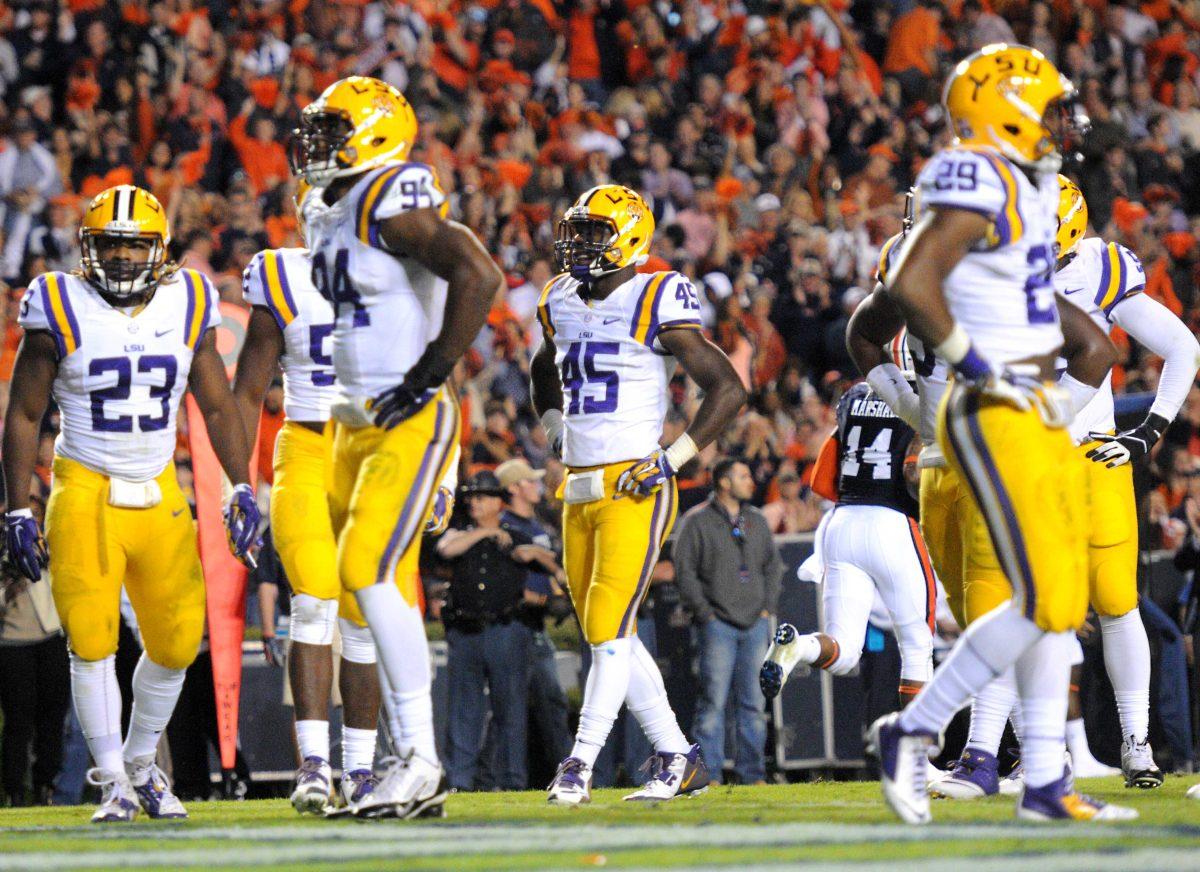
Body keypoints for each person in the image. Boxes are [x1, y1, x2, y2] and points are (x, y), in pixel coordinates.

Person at [863, 45, 1136, 823]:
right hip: (992, 405)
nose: (1062, 121)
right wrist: (981, 364)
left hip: (1029, 403)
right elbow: (913, 280)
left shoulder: (1024, 183)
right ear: (1008, 110)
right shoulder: (975, 170)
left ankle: (1045, 782)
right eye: (1048, 107)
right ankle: (915, 729)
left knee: (1058, 601)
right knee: (1045, 596)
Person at [1, 184, 260, 823]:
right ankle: (112, 778)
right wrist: (15, 507)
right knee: (90, 641)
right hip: (85, 487)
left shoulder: (192, 298)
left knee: (175, 642)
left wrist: (239, 483)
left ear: (159, 250)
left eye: (133, 245)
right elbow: (26, 411)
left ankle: (142, 762)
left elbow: (218, 402)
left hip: (158, 489)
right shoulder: (57, 301)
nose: (120, 258)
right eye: (110, 245)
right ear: (89, 249)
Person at [292, 76, 503, 819]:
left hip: (405, 416)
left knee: (367, 569)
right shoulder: (326, 206)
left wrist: (431, 372)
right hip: (350, 420)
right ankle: (411, 763)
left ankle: (420, 759)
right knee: (359, 586)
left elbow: (479, 272)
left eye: (333, 129)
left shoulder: (391, 194)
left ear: (377, 133)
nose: (316, 144)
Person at [531, 184, 747, 805]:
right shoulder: (559, 299)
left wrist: (671, 459)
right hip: (578, 486)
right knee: (611, 635)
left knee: (607, 628)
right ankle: (678, 756)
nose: (579, 243)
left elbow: (727, 388)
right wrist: (553, 429)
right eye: (578, 230)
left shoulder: (656, 294)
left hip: (634, 481)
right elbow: (545, 366)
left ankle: (578, 763)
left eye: (594, 232)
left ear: (628, 237)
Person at [234, 182, 385, 815]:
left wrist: (444, 474)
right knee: (315, 605)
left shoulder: (395, 274)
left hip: (373, 457)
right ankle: (316, 765)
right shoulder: (281, 273)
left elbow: (435, 382)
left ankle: (361, 770)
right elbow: (246, 389)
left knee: (363, 622)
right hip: (305, 447)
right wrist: (236, 481)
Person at [1053, 176, 1199, 787]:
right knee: (1023, 609)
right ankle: (1018, 750)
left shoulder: (1098, 266)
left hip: (1087, 457)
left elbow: (1181, 346)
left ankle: (1135, 745)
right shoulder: (987, 264)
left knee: (1117, 607)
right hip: (1023, 460)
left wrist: (1148, 431)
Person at [761, 370, 934, 710]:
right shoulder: (924, 391)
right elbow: (912, 473)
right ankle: (917, 755)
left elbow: (828, 466)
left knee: (843, 651)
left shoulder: (855, 394)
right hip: (890, 522)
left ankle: (801, 646)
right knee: (917, 646)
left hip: (841, 522)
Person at [436, 470, 563, 791]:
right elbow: (446, 550)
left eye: (481, 497)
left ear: (497, 503)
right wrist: (486, 535)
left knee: (511, 713)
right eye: (472, 498)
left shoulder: (517, 536)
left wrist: (538, 555)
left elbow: (561, 575)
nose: (474, 503)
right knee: (464, 711)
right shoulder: (461, 533)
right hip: (465, 632)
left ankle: (512, 782)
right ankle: (459, 782)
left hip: (506, 631)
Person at [675, 458, 782, 785]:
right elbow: (685, 570)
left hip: (754, 624)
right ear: (724, 483)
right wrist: (704, 612)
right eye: (744, 476)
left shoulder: (757, 519)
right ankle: (709, 775)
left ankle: (753, 774)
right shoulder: (697, 522)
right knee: (713, 703)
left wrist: (766, 608)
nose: (751, 481)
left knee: (753, 704)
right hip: (717, 623)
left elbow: (773, 567)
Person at [495, 457, 573, 775]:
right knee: (512, 709)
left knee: (551, 704)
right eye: (530, 481)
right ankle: (504, 778)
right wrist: (544, 599)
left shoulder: (537, 523)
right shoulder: (504, 527)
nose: (537, 486)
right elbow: (508, 582)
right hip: (515, 624)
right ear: (513, 488)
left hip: (536, 625)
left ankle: (567, 771)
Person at [0, 480, 68, 807]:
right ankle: (14, 790)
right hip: (12, 641)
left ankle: (45, 786)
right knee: (18, 721)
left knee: (53, 718)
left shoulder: (51, 537)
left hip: (51, 636)